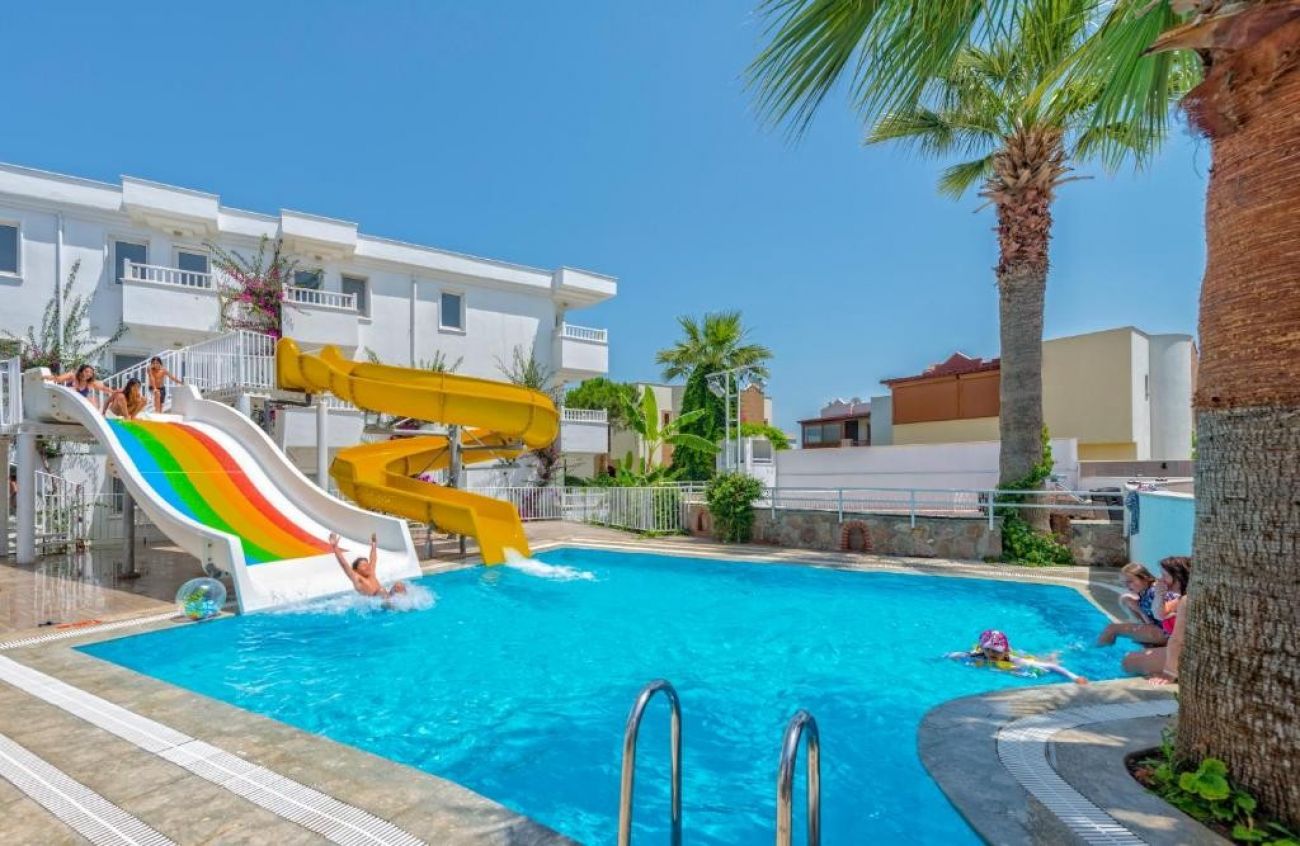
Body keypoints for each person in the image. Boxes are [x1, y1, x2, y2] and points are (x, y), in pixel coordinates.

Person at [1121, 557, 1191, 682]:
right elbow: (1159, 615)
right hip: (1181, 647)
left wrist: (1169, 673)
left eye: (1164, 575)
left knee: (1128, 662)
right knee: (1134, 657)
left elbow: (1177, 640)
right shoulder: (1180, 598)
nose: (1160, 579)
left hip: (1189, 653)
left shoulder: (1186, 600)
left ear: (1178, 577)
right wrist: (1159, 594)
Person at [948, 629, 1089, 685]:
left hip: (1027, 660)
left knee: (1051, 659)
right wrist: (947, 657)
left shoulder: (1012, 659)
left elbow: (1053, 667)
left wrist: (1074, 677)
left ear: (1005, 650)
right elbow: (956, 654)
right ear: (982, 648)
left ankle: (1070, 649)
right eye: (988, 650)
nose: (991, 655)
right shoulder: (980, 655)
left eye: (996, 651)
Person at [1097, 563, 1167, 647]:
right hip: (1159, 629)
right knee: (1126, 599)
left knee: (1112, 629)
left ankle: (1096, 651)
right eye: (1124, 583)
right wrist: (1142, 614)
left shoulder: (1154, 591)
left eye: (1129, 582)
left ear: (1145, 578)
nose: (1126, 586)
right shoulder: (1145, 591)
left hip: (1164, 633)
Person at [328, 531, 407, 600]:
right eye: (363, 566)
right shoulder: (358, 579)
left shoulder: (371, 573)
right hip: (378, 603)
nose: (367, 567)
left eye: (367, 565)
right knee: (381, 591)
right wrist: (335, 547)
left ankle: (406, 604)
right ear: (356, 570)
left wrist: (374, 544)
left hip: (386, 597)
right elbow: (344, 564)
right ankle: (393, 606)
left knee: (399, 585)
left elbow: (373, 558)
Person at [46, 364, 113, 406]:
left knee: (92, 401)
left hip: (79, 405)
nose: (89, 374)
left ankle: (97, 418)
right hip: (67, 400)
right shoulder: (72, 376)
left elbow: (103, 388)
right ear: (81, 372)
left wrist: (114, 392)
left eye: (91, 373)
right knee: (72, 389)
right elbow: (59, 379)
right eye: (86, 371)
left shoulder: (90, 383)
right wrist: (50, 377)